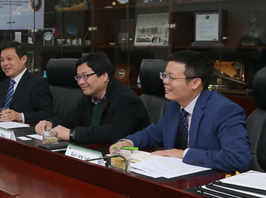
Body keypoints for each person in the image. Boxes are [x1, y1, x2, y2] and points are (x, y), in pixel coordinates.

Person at [112, 51, 251, 172]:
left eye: (171, 77)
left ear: (195, 83)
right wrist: (128, 142)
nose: (165, 81)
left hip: (209, 182)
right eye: (164, 75)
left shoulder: (224, 110)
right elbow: (154, 133)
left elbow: (238, 158)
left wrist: (184, 154)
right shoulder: (175, 105)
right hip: (174, 176)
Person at [35, 52, 150, 143]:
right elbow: (72, 118)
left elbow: (114, 132)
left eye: (85, 76)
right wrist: (51, 122)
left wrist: (72, 134)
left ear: (104, 76)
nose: (80, 82)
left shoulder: (126, 99)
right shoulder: (90, 97)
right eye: (78, 77)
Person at [0, 41, 53, 124]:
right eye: (2, 60)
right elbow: (6, 111)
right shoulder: (4, 84)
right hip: (3, 128)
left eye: (9, 59)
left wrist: (20, 116)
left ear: (23, 59)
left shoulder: (37, 83)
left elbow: (47, 114)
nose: (5, 63)